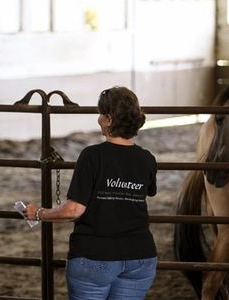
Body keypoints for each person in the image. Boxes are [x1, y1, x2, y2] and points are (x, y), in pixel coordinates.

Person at [24, 86, 158, 300]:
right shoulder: (147, 159)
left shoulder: (92, 156)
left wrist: (39, 213)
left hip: (95, 256)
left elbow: (74, 210)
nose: (98, 119)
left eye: (100, 114)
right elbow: (148, 192)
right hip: (140, 256)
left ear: (108, 119)